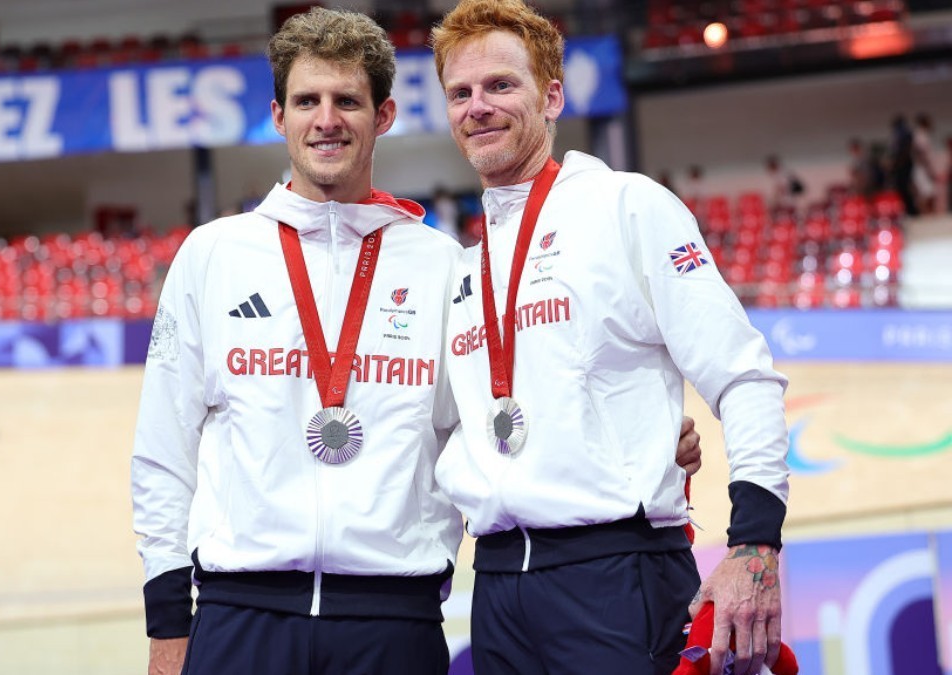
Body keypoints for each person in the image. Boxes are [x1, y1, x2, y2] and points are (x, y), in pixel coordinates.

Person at [131, 7, 704, 675]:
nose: (326, 119)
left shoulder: (445, 267)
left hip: (394, 623)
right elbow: (162, 453)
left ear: (384, 115)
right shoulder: (211, 256)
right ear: (278, 116)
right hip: (240, 614)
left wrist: (642, 429)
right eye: (306, 101)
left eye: (347, 100)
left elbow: (492, 419)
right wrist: (169, 624)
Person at [430, 2, 790, 675]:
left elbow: (744, 376)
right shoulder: (463, 266)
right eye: (461, 92)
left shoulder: (629, 205)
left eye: (501, 85)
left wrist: (754, 545)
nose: (478, 106)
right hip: (500, 588)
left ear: (552, 96)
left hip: (616, 576)